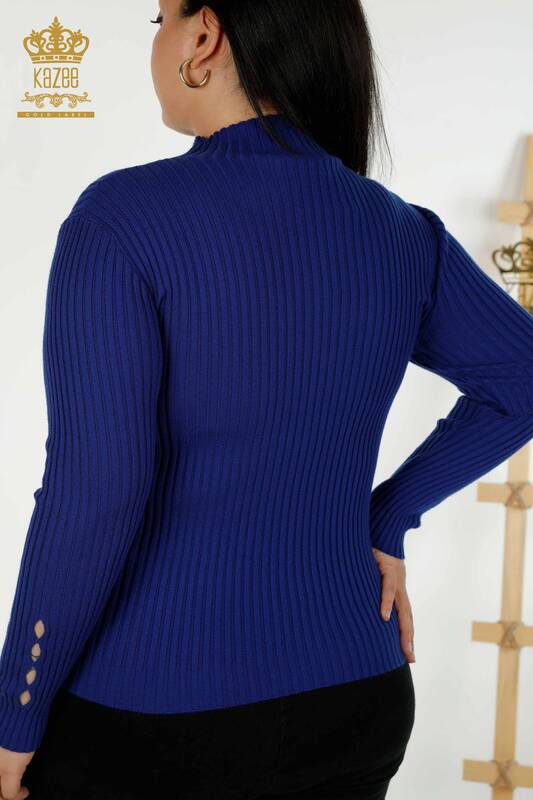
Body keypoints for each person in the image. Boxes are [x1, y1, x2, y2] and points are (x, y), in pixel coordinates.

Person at [1, 0, 533, 798]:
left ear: (204, 37)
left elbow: (95, 492)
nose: (157, 41)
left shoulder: (120, 220)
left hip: (153, 719)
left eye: (159, 19)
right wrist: (385, 516)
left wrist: (17, 709)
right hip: (355, 698)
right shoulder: (399, 231)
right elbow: (521, 378)